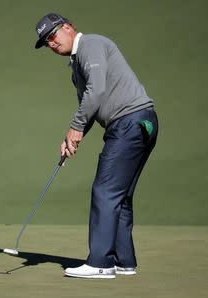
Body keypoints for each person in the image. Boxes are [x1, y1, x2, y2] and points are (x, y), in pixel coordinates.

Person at [34, 13, 159, 279]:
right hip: (140, 123)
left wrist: (75, 127)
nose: (51, 44)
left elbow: (97, 91)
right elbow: (90, 107)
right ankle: (124, 261)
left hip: (130, 122)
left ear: (68, 28)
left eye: (53, 36)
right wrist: (73, 138)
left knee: (105, 191)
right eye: (46, 42)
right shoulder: (77, 67)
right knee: (120, 196)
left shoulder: (90, 44)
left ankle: (100, 262)